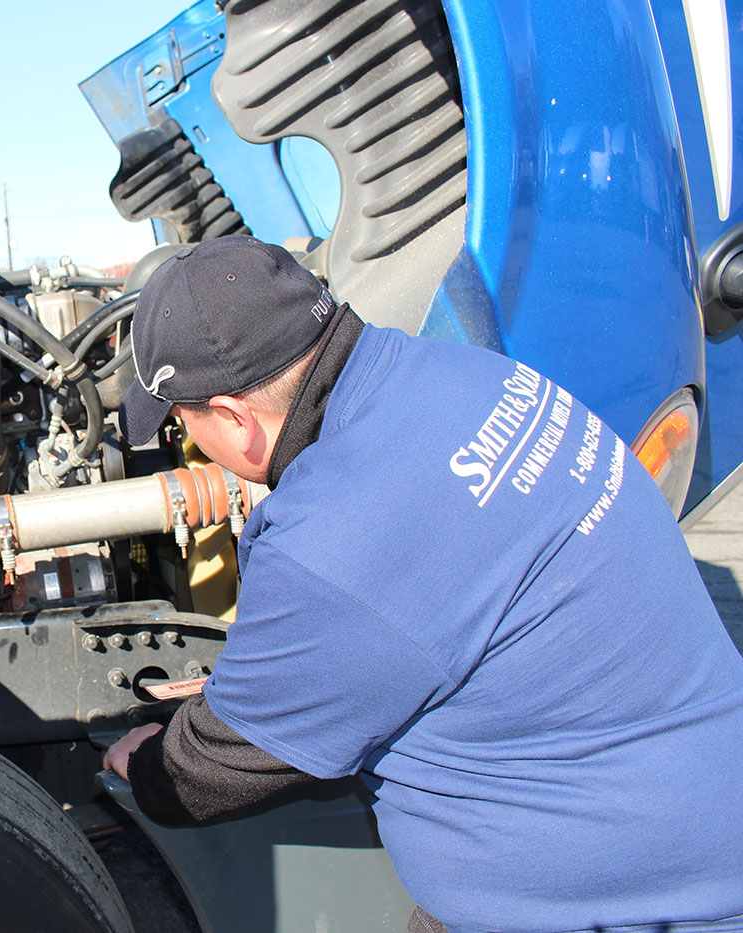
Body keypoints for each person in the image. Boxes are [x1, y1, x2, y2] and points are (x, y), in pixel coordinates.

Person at [102, 235, 743, 932]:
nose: (192, 441)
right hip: (694, 791)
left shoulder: (334, 536)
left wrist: (146, 766)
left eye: (188, 424)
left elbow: (223, 761)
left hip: (631, 903)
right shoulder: (466, 373)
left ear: (233, 418)